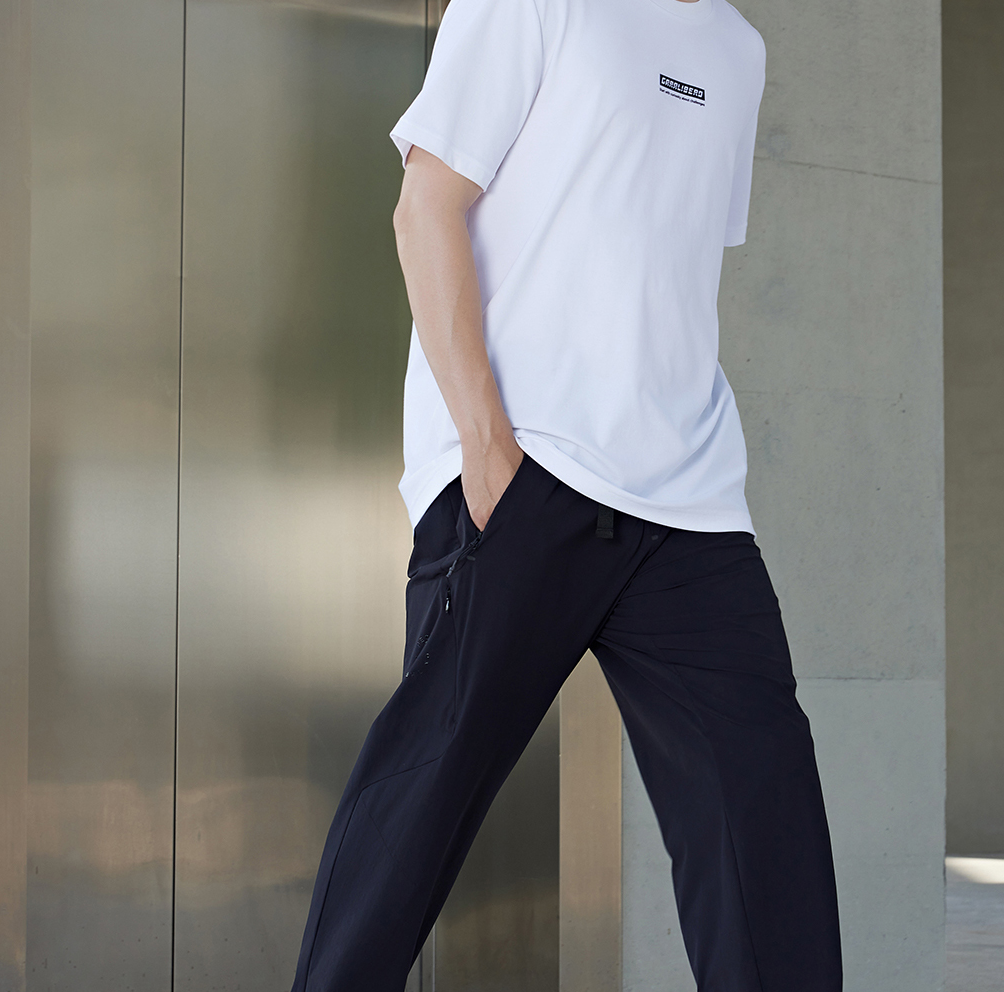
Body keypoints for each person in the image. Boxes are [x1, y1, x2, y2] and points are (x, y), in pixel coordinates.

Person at [290, 0, 842, 987]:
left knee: (763, 818)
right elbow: (425, 208)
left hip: (690, 498)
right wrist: (486, 447)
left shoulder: (737, 50)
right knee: (421, 800)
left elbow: (661, 260)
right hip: (526, 470)